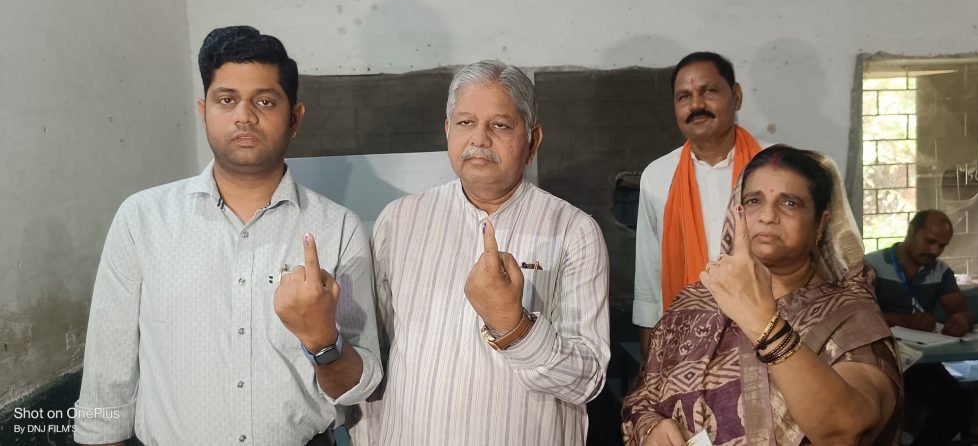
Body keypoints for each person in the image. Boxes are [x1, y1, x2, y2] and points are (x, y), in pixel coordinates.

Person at [74, 26, 382, 445]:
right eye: (227, 100)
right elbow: (106, 384)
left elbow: (358, 387)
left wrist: (321, 340)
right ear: (204, 111)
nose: (244, 116)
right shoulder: (142, 219)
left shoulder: (339, 228)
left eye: (265, 101)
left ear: (294, 118)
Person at [351, 60, 609, 445]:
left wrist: (514, 327)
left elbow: (587, 380)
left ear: (533, 140)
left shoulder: (573, 230)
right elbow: (377, 361)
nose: (480, 138)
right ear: (447, 130)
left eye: (500, 125)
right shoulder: (399, 221)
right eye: (465, 122)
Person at [622, 145, 901, 446]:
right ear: (737, 212)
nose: (767, 216)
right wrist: (650, 428)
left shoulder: (848, 315)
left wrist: (761, 322)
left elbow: (848, 430)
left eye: (790, 203)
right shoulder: (692, 304)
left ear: (821, 223)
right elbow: (641, 399)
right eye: (754, 201)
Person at [633, 51, 769, 354]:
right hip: (688, 343)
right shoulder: (658, 176)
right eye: (684, 97)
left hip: (769, 331)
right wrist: (650, 363)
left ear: (736, 96)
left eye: (709, 91)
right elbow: (649, 277)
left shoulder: (776, 165)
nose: (696, 105)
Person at [864, 209, 973, 445]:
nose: (935, 250)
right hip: (878, 360)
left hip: (919, 361)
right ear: (911, 231)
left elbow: (959, 309)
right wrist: (904, 320)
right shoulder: (870, 265)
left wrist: (961, 320)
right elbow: (858, 316)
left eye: (942, 245)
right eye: (930, 241)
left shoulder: (940, 271)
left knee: (959, 406)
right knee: (873, 414)